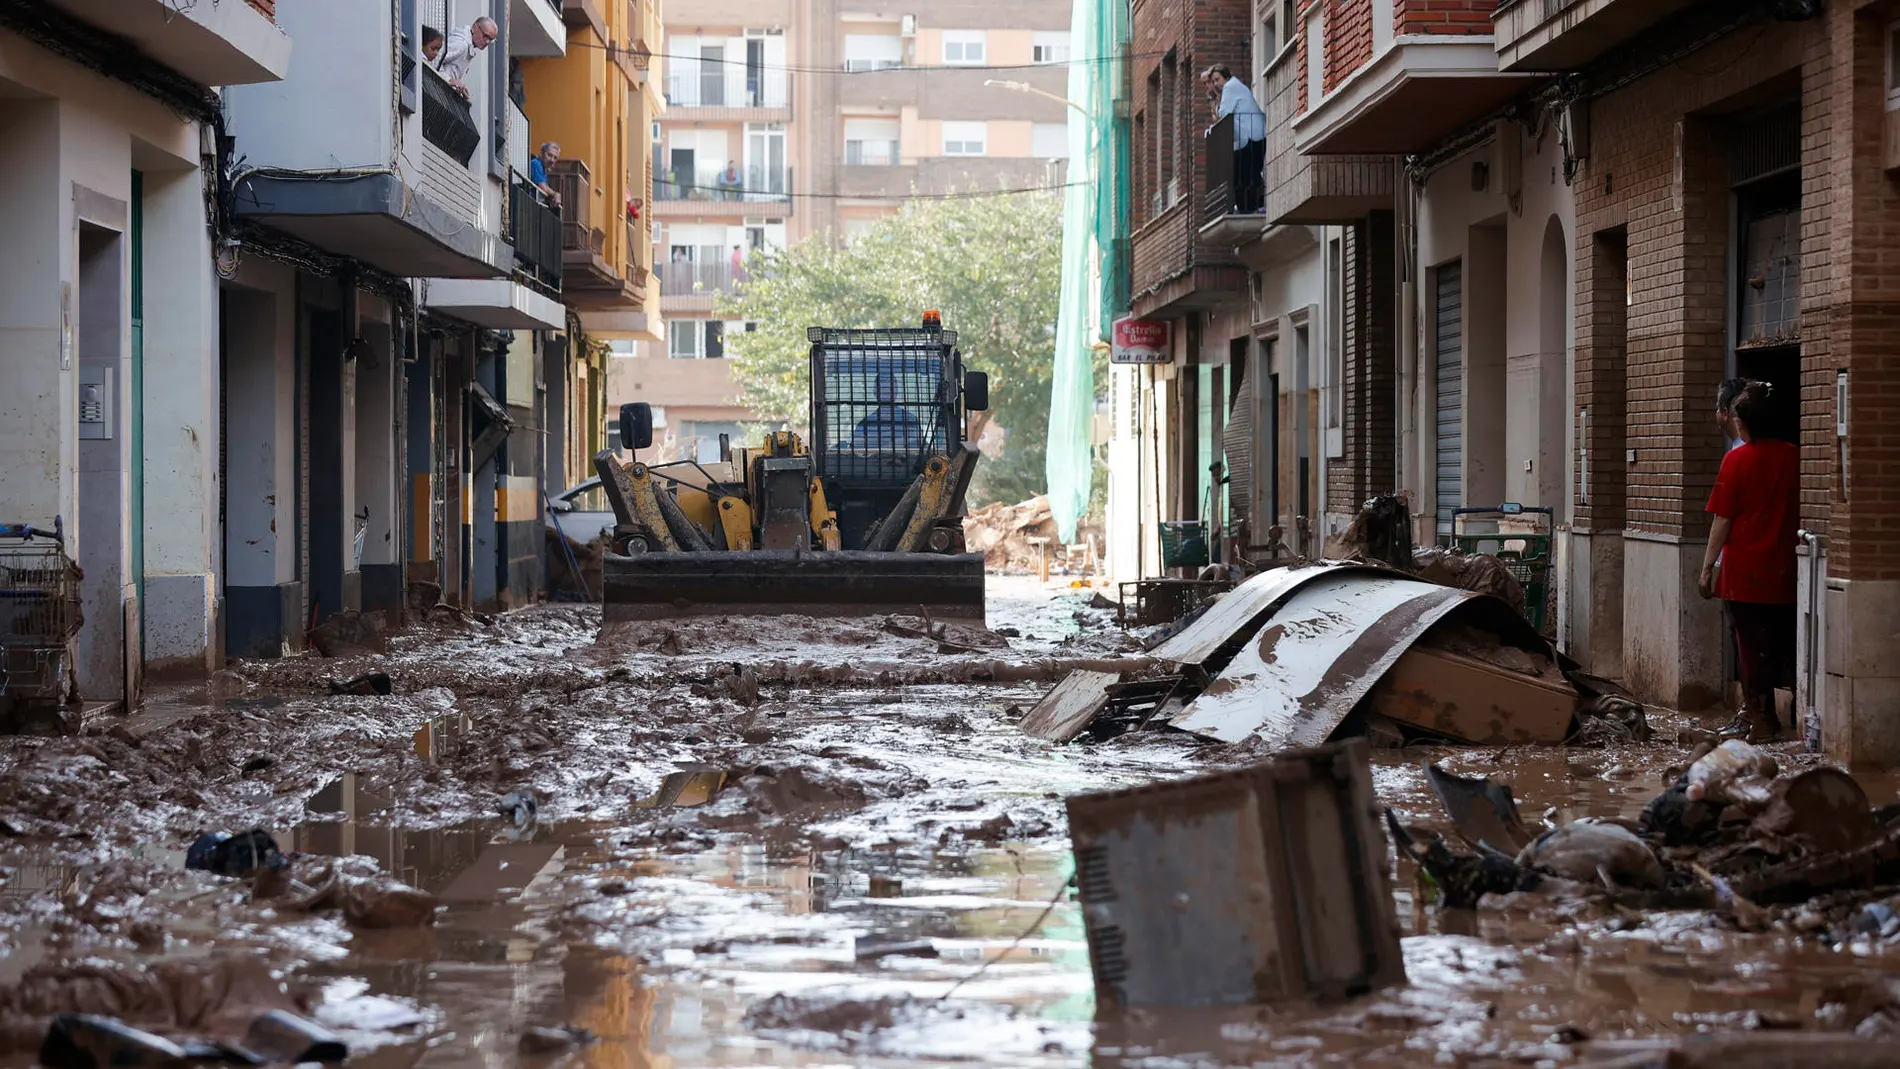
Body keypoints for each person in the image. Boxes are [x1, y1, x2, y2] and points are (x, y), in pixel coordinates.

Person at [1699, 380, 1799, 743]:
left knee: (1749, 648)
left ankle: (1761, 718)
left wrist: (1707, 567)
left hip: (1745, 573)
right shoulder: (1796, 457)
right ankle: (1776, 716)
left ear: (1745, 422)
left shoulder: (1736, 460)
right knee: (1780, 643)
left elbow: (1722, 519)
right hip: (1787, 568)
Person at [1203, 66, 1267, 214]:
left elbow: (1222, 115)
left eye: (1217, 79)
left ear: (1226, 77)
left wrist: (1212, 100)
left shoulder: (1230, 87)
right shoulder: (1234, 87)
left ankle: (1250, 207)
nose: (1216, 83)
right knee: (1248, 173)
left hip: (1251, 137)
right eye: (1213, 81)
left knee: (1242, 173)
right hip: (1253, 136)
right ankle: (1252, 206)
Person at [849, 372, 926, 454]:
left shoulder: (911, 421)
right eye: (883, 389)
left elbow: (921, 448)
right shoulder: (864, 425)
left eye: (890, 389)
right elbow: (856, 454)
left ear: (896, 391)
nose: (887, 393)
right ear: (876, 392)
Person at [437, 16, 498, 98]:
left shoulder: (468, 45)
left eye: (491, 40)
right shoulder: (461, 43)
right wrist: (449, 80)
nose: (487, 42)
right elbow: (432, 59)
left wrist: (456, 86)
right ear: (475, 27)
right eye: (485, 36)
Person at [529, 142, 562, 207]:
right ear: (542, 153)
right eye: (549, 155)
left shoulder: (543, 169)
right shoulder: (536, 164)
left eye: (555, 158)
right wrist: (555, 194)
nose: (552, 160)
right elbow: (543, 187)